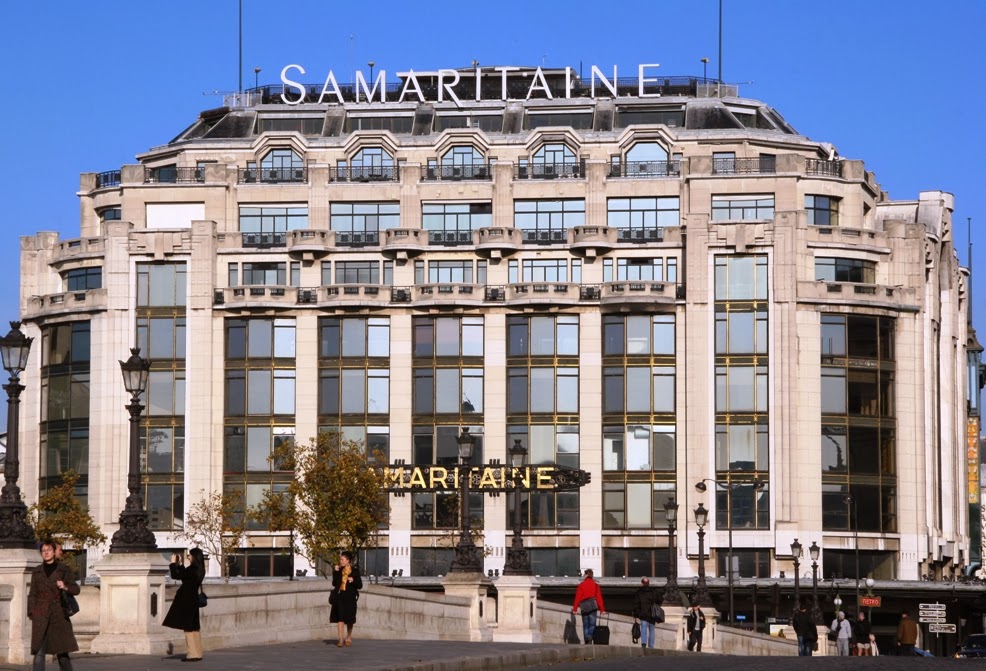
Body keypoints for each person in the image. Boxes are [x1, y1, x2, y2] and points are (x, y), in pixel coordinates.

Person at [28, 540, 80, 671]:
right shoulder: (37, 571)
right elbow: (32, 594)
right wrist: (32, 612)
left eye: (49, 550)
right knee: (39, 653)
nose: (46, 553)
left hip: (59, 615)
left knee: (62, 654)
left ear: (54, 552)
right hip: (41, 615)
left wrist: (65, 586)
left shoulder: (64, 569)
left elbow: (76, 589)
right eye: (43, 551)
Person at [163, 548, 206, 663]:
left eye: (189, 555)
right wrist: (180, 564)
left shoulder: (192, 569)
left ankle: (192, 654)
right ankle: (198, 653)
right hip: (193, 600)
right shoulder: (200, 570)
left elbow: (176, 576)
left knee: (188, 628)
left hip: (186, 600)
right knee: (194, 627)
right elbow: (184, 577)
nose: (188, 557)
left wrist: (173, 563)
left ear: (194, 557)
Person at [330, 551, 363, 647]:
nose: (340, 561)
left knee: (349, 619)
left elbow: (360, 585)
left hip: (350, 598)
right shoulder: (339, 571)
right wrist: (335, 572)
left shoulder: (355, 571)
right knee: (340, 618)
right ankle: (340, 639)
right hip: (339, 597)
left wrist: (353, 580)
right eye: (340, 559)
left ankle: (348, 636)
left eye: (342, 559)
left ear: (348, 560)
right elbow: (334, 583)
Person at [571, 569, 605, 645]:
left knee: (585, 624)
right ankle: (590, 636)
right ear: (592, 575)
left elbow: (577, 598)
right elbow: (599, 598)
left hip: (584, 607)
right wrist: (602, 610)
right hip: (593, 607)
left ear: (585, 575)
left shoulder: (581, 585)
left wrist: (575, 609)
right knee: (592, 624)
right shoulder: (596, 585)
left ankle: (586, 639)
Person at [631, 577, 660, 648]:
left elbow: (636, 604)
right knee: (652, 630)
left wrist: (636, 614)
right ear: (648, 583)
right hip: (652, 614)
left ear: (642, 583)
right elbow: (660, 599)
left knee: (643, 628)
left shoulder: (639, 593)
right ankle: (651, 646)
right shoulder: (653, 592)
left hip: (643, 614)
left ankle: (643, 643)